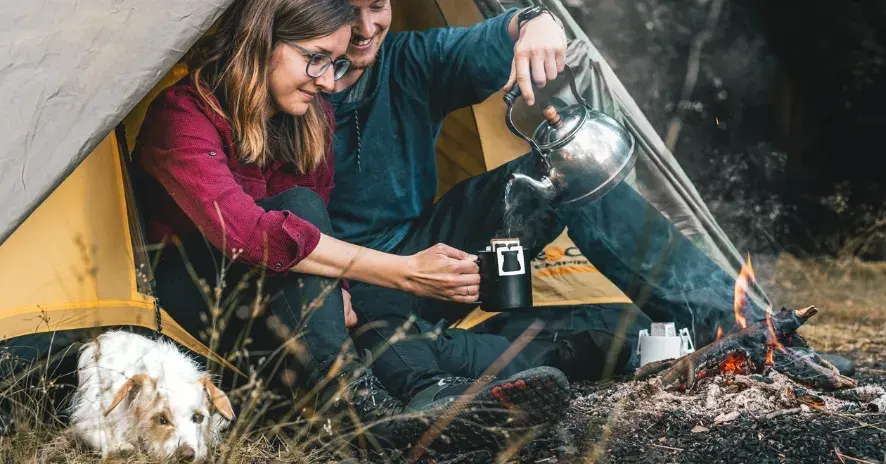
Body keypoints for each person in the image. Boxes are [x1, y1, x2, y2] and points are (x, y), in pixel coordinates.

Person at [132, 0, 571, 450]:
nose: (327, 80)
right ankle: (353, 406)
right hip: (203, 302)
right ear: (262, 41)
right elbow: (248, 232)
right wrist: (402, 271)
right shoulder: (182, 115)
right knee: (317, 227)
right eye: (315, 58)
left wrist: (339, 288)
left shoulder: (309, 116)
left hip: (288, 312)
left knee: (361, 285)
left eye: (335, 63)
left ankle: (426, 391)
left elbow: (316, 231)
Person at [318, 0, 766, 392]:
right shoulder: (286, 89)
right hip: (342, 287)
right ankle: (456, 358)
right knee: (404, 359)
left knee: (562, 166)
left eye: (377, 6)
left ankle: (751, 335)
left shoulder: (408, 60)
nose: (364, 27)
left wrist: (538, 22)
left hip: (433, 257)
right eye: (346, 9)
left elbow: (497, 34)